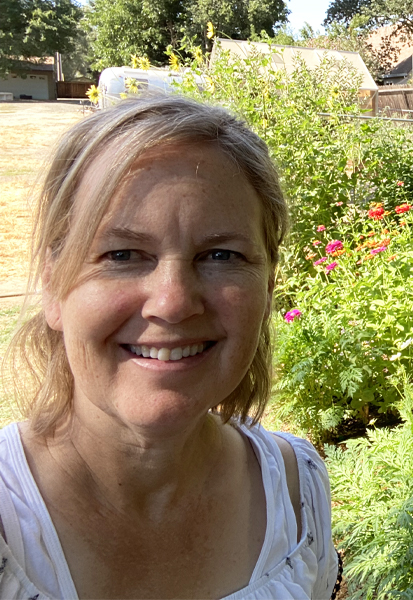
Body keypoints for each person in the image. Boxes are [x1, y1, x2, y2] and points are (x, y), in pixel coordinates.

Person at [0, 95, 340, 599]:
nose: (174, 302)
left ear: (268, 286)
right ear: (53, 284)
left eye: (220, 254)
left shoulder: (296, 493)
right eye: (122, 254)